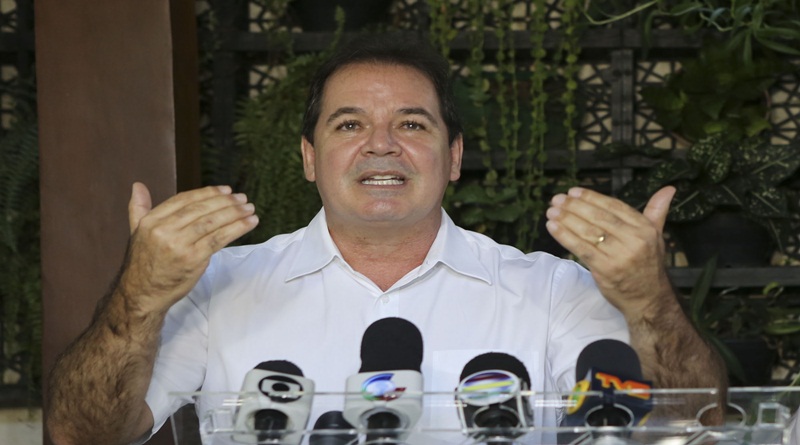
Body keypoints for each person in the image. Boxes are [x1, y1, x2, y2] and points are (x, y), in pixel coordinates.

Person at [46, 34, 726, 445]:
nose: (381, 145)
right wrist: (141, 295)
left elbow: (698, 427)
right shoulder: (217, 287)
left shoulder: (552, 292)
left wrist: (648, 300)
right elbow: (82, 434)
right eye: (349, 125)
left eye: (412, 124)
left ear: (453, 157)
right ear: (309, 158)